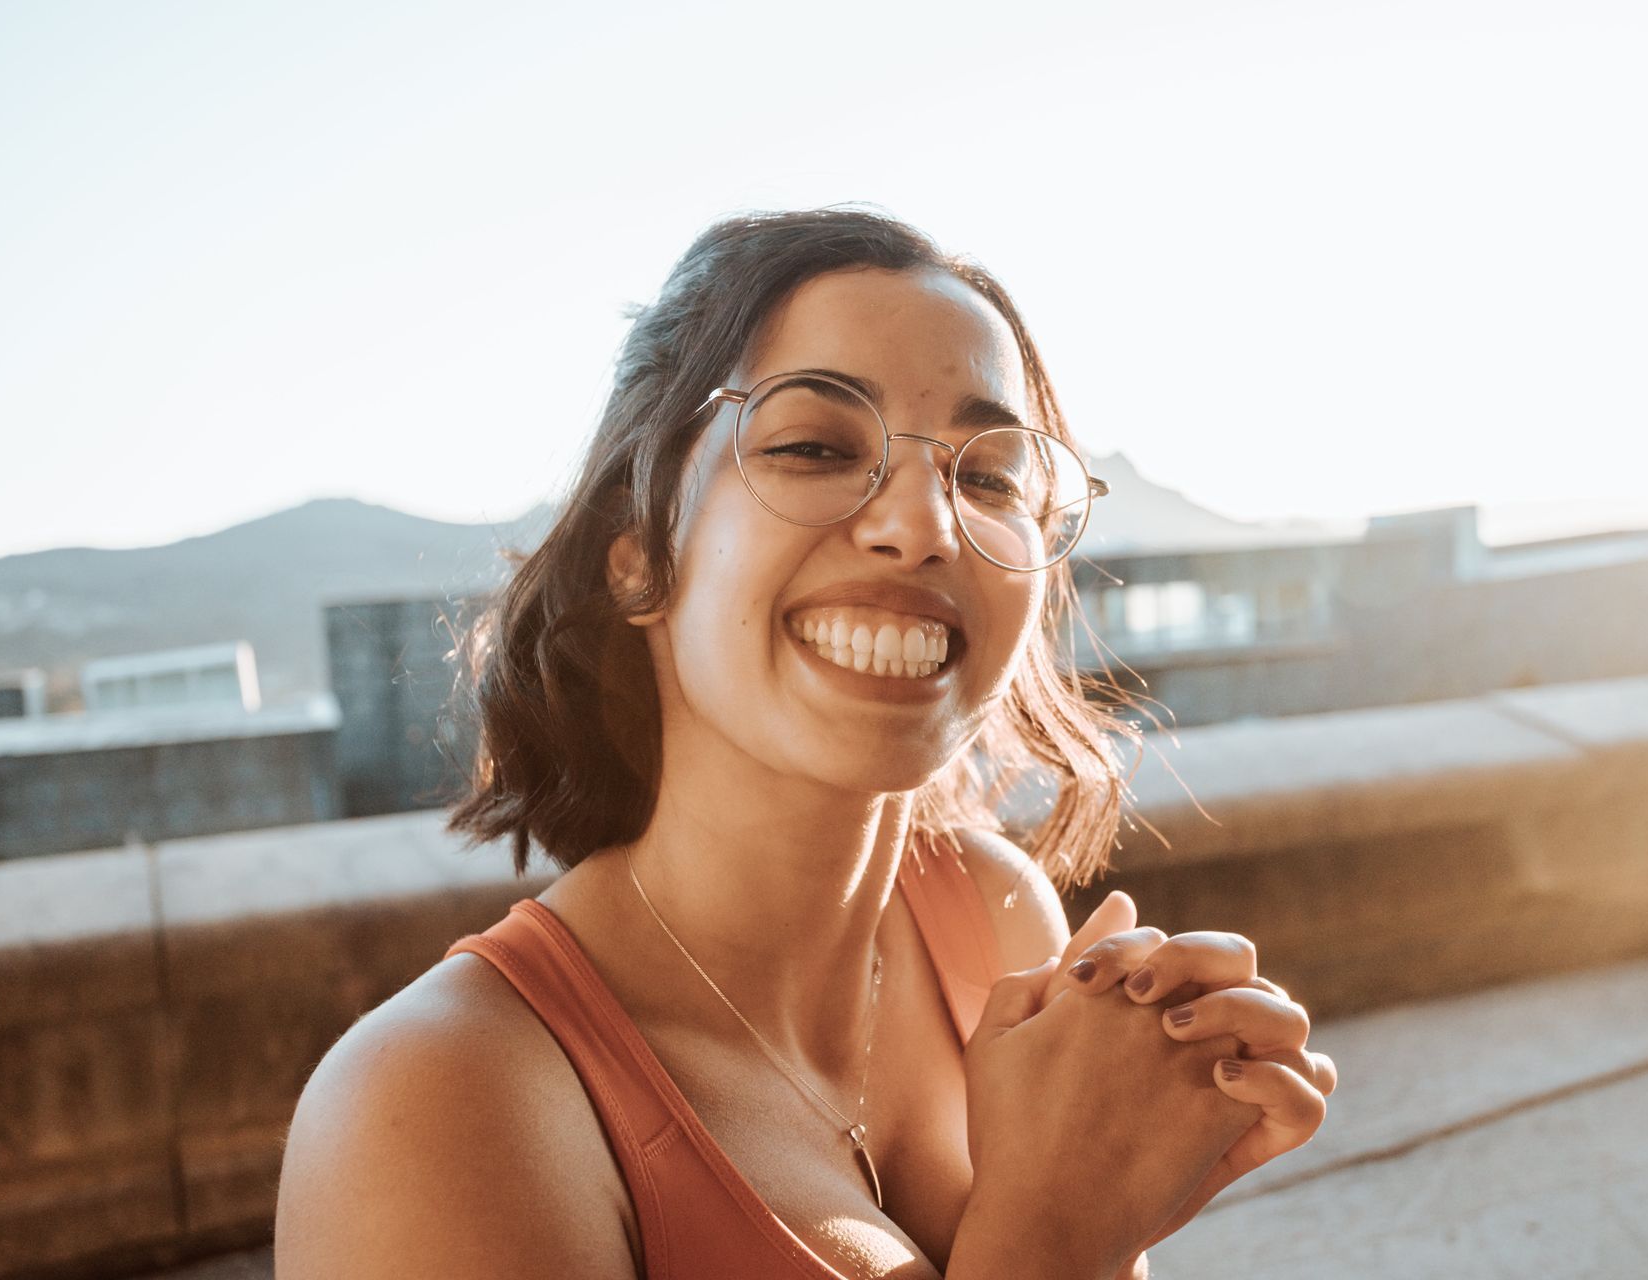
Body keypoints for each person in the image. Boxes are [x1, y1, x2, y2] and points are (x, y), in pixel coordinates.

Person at [274, 208, 1335, 1279]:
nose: (921, 523)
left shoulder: (991, 914)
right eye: (816, 446)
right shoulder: (433, 1104)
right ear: (638, 558)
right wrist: (1058, 1233)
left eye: (990, 476)